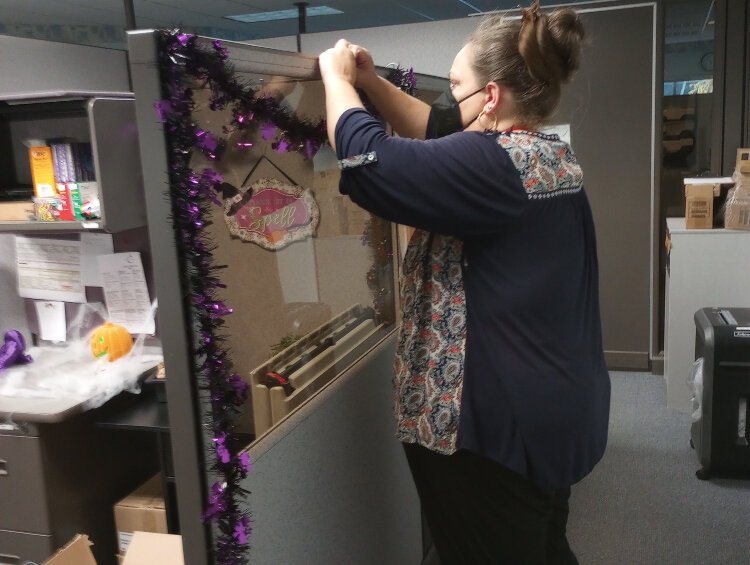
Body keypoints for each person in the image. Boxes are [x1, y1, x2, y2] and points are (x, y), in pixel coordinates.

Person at [319, 2, 610, 563]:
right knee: (543, 544)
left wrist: (335, 79)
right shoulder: (547, 156)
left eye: (457, 87)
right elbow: (437, 129)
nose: (450, 101)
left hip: (494, 432)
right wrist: (373, 83)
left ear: (493, 97)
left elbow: (365, 161)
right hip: (552, 408)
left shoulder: (493, 167)